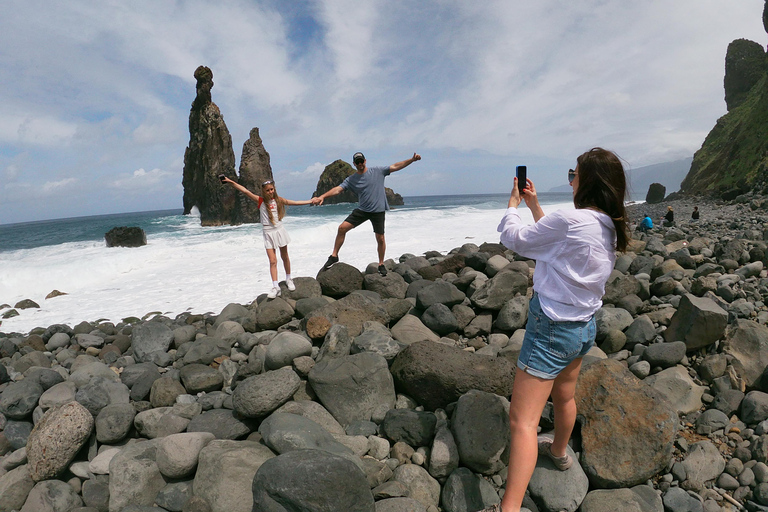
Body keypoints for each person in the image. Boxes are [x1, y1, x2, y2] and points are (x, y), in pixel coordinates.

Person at [483, 148, 629, 512]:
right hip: (582, 329)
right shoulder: (609, 225)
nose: (571, 179)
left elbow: (517, 241)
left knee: (523, 421)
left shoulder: (570, 221)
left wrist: (512, 205)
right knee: (564, 397)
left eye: (573, 173)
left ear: (587, 181)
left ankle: (510, 508)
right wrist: (536, 207)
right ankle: (560, 452)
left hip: (550, 328)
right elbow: (559, 246)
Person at [312, 151, 421, 276]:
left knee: (380, 238)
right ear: (354, 164)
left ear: (365, 161)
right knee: (342, 228)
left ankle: (381, 264)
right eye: (357, 162)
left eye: (361, 161)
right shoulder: (352, 179)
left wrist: (411, 160)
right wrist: (322, 196)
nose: (360, 164)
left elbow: (396, 166)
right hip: (363, 210)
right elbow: (338, 189)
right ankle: (334, 256)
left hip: (378, 211)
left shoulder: (377, 171)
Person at [221, 177, 312, 298]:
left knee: (285, 256)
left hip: (279, 231)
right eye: (268, 190)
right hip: (268, 233)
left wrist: (311, 201)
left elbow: (295, 202)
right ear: (264, 191)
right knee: (272, 261)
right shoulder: (261, 201)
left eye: (272, 189)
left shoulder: (278, 200)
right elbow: (245, 191)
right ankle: (275, 286)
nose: (270, 192)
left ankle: (289, 279)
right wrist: (231, 182)